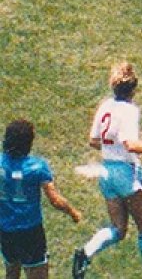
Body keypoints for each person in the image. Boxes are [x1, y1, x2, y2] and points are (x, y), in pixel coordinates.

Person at [72, 62, 142, 279]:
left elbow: (93, 140)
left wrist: (112, 147)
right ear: (134, 89)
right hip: (126, 173)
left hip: (106, 171)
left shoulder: (105, 106)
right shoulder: (130, 110)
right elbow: (130, 144)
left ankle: (86, 253)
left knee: (118, 229)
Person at [0, 119, 82, 279]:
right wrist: (73, 212)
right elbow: (55, 200)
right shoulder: (37, 166)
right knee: (38, 274)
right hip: (29, 230)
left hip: (5, 230)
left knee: (12, 270)